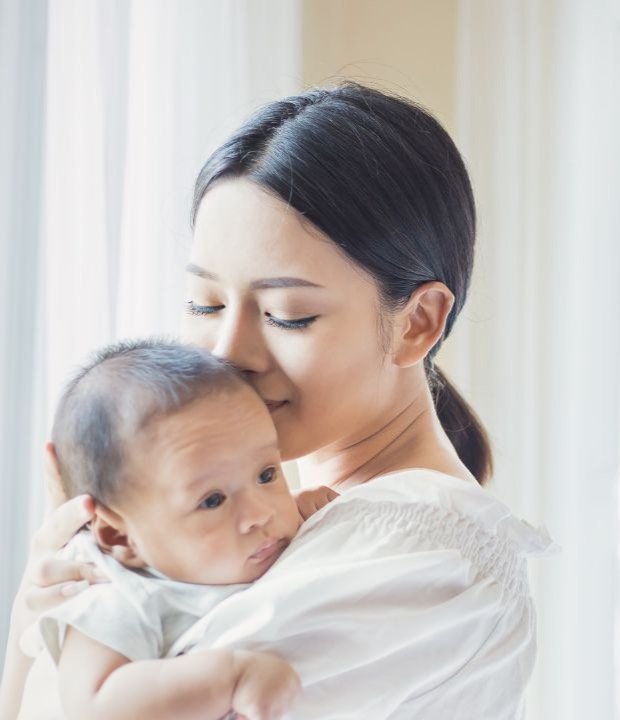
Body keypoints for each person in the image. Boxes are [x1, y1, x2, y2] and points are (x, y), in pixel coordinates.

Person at [2, 83, 553, 720]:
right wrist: (35, 605)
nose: (227, 352)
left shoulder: (415, 551)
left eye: (287, 315)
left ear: (417, 323)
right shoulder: (267, 530)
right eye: (204, 304)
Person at [32, 339, 336, 720]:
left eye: (266, 474)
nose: (260, 514)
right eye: (212, 500)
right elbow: (92, 704)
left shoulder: (250, 533)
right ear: (121, 538)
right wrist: (231, 676)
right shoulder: (117, 592)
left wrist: (301, 507)